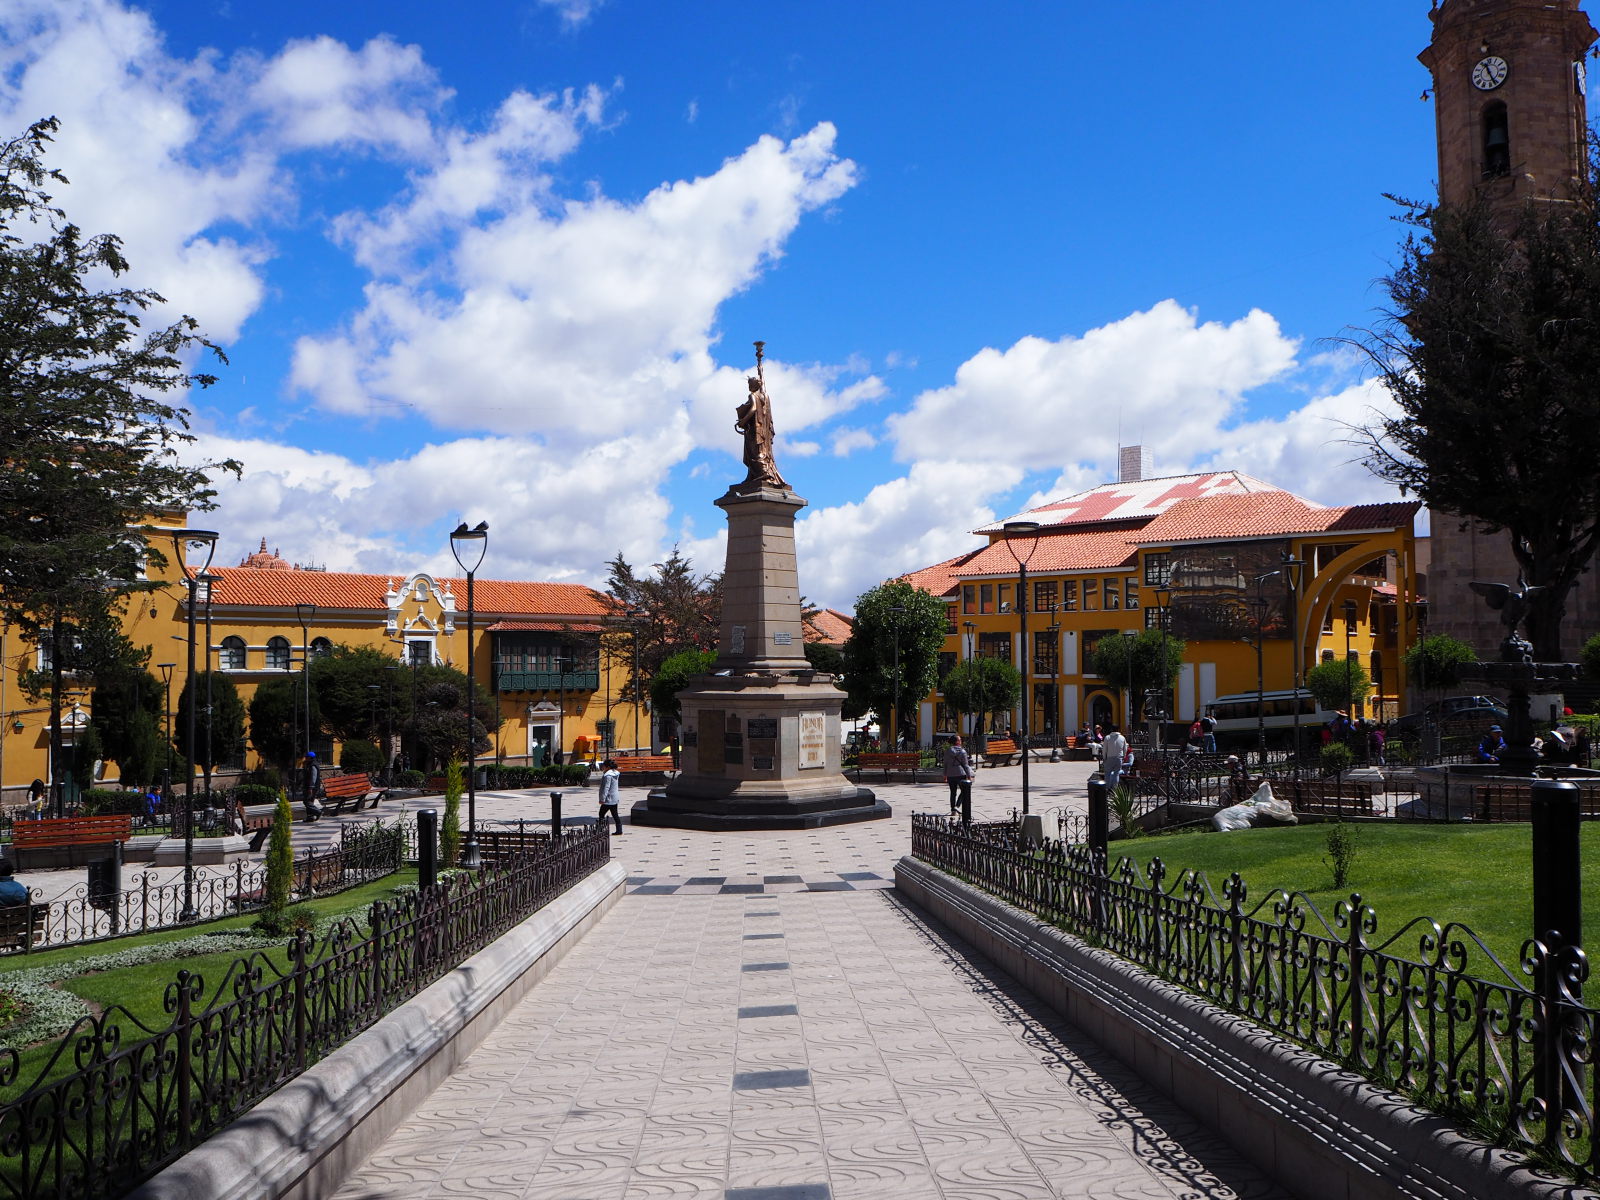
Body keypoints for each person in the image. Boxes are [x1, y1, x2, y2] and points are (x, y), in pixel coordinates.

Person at [944, 733, 974, 818]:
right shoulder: (962, 751)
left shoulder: (948, 751)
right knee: (964, 791)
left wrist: (945, 774)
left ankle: (953, 811)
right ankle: (957, 806)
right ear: (957, 742)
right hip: (960, 774)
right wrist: (969, 775)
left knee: (953, 793)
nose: (961, 741)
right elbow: (966, 765)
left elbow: (945, 764)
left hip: (950, 774)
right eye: (960, 740)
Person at [596, 758, 623, 834]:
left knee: (601, 813)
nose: (603, 767)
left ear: (607, 767)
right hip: (615, 797)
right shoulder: (615, 773)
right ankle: (619, 830)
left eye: (604, 766)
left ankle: (600, 829)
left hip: (608, 799)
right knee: (615, 814)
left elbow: (606, 788)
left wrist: (602, 799)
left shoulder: (608, 775)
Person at [1100, 724, 1130, 792]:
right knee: (1116, 774)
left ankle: (1107, 789)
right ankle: (1115, 790)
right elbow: (1125, 749)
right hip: (1119, 758)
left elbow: (1104, 749)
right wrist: (1124, 757)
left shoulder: (1107, 737)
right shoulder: (1122, 738)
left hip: (1109, 757)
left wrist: (1104, 757)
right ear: (1118, 730)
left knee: (1107, 774)